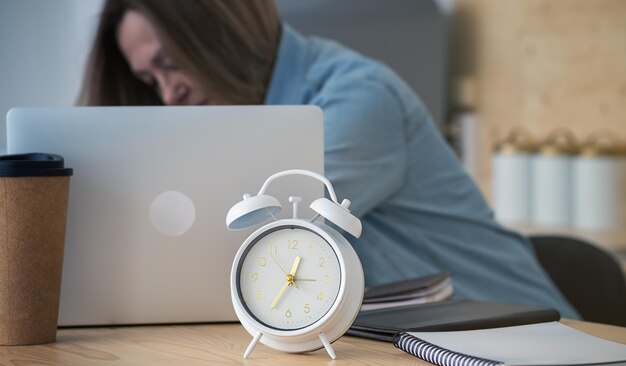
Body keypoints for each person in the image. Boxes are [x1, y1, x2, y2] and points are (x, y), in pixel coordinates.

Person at [79, 0, 580, 318]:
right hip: (428, 354)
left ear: (217, 34)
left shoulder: (357, 98)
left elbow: (251, 251)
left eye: (171, 64)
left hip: (537, 354)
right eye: (150, 80)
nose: (169, 95)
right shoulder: (239, 127)